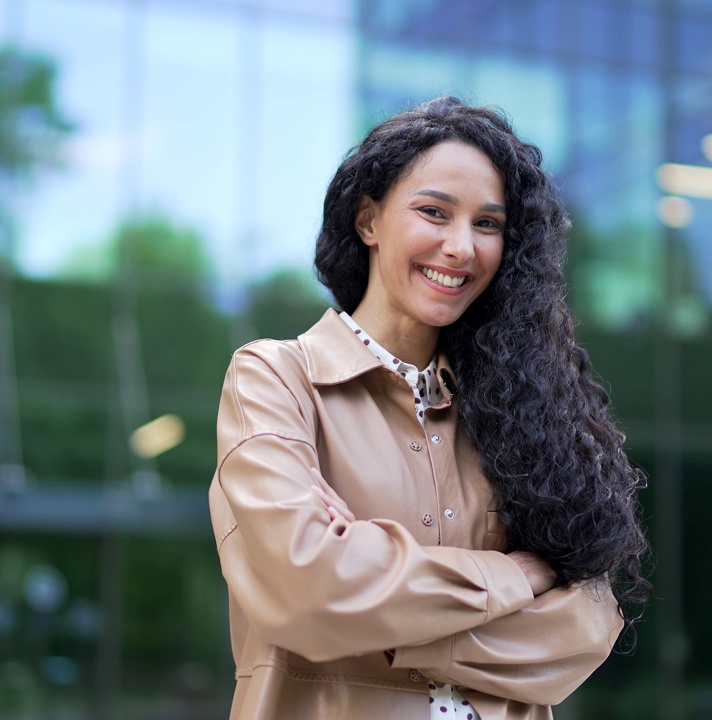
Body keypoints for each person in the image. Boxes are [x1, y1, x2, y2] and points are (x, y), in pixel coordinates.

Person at [209, 96, 650, 720]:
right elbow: (309, 590)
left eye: (488, 224)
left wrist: (377, 596)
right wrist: (516, 581)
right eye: (433, 212)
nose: (461, 248)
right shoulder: (278, 379)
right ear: (368, 220)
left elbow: (586, 629)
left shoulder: (518, 408)